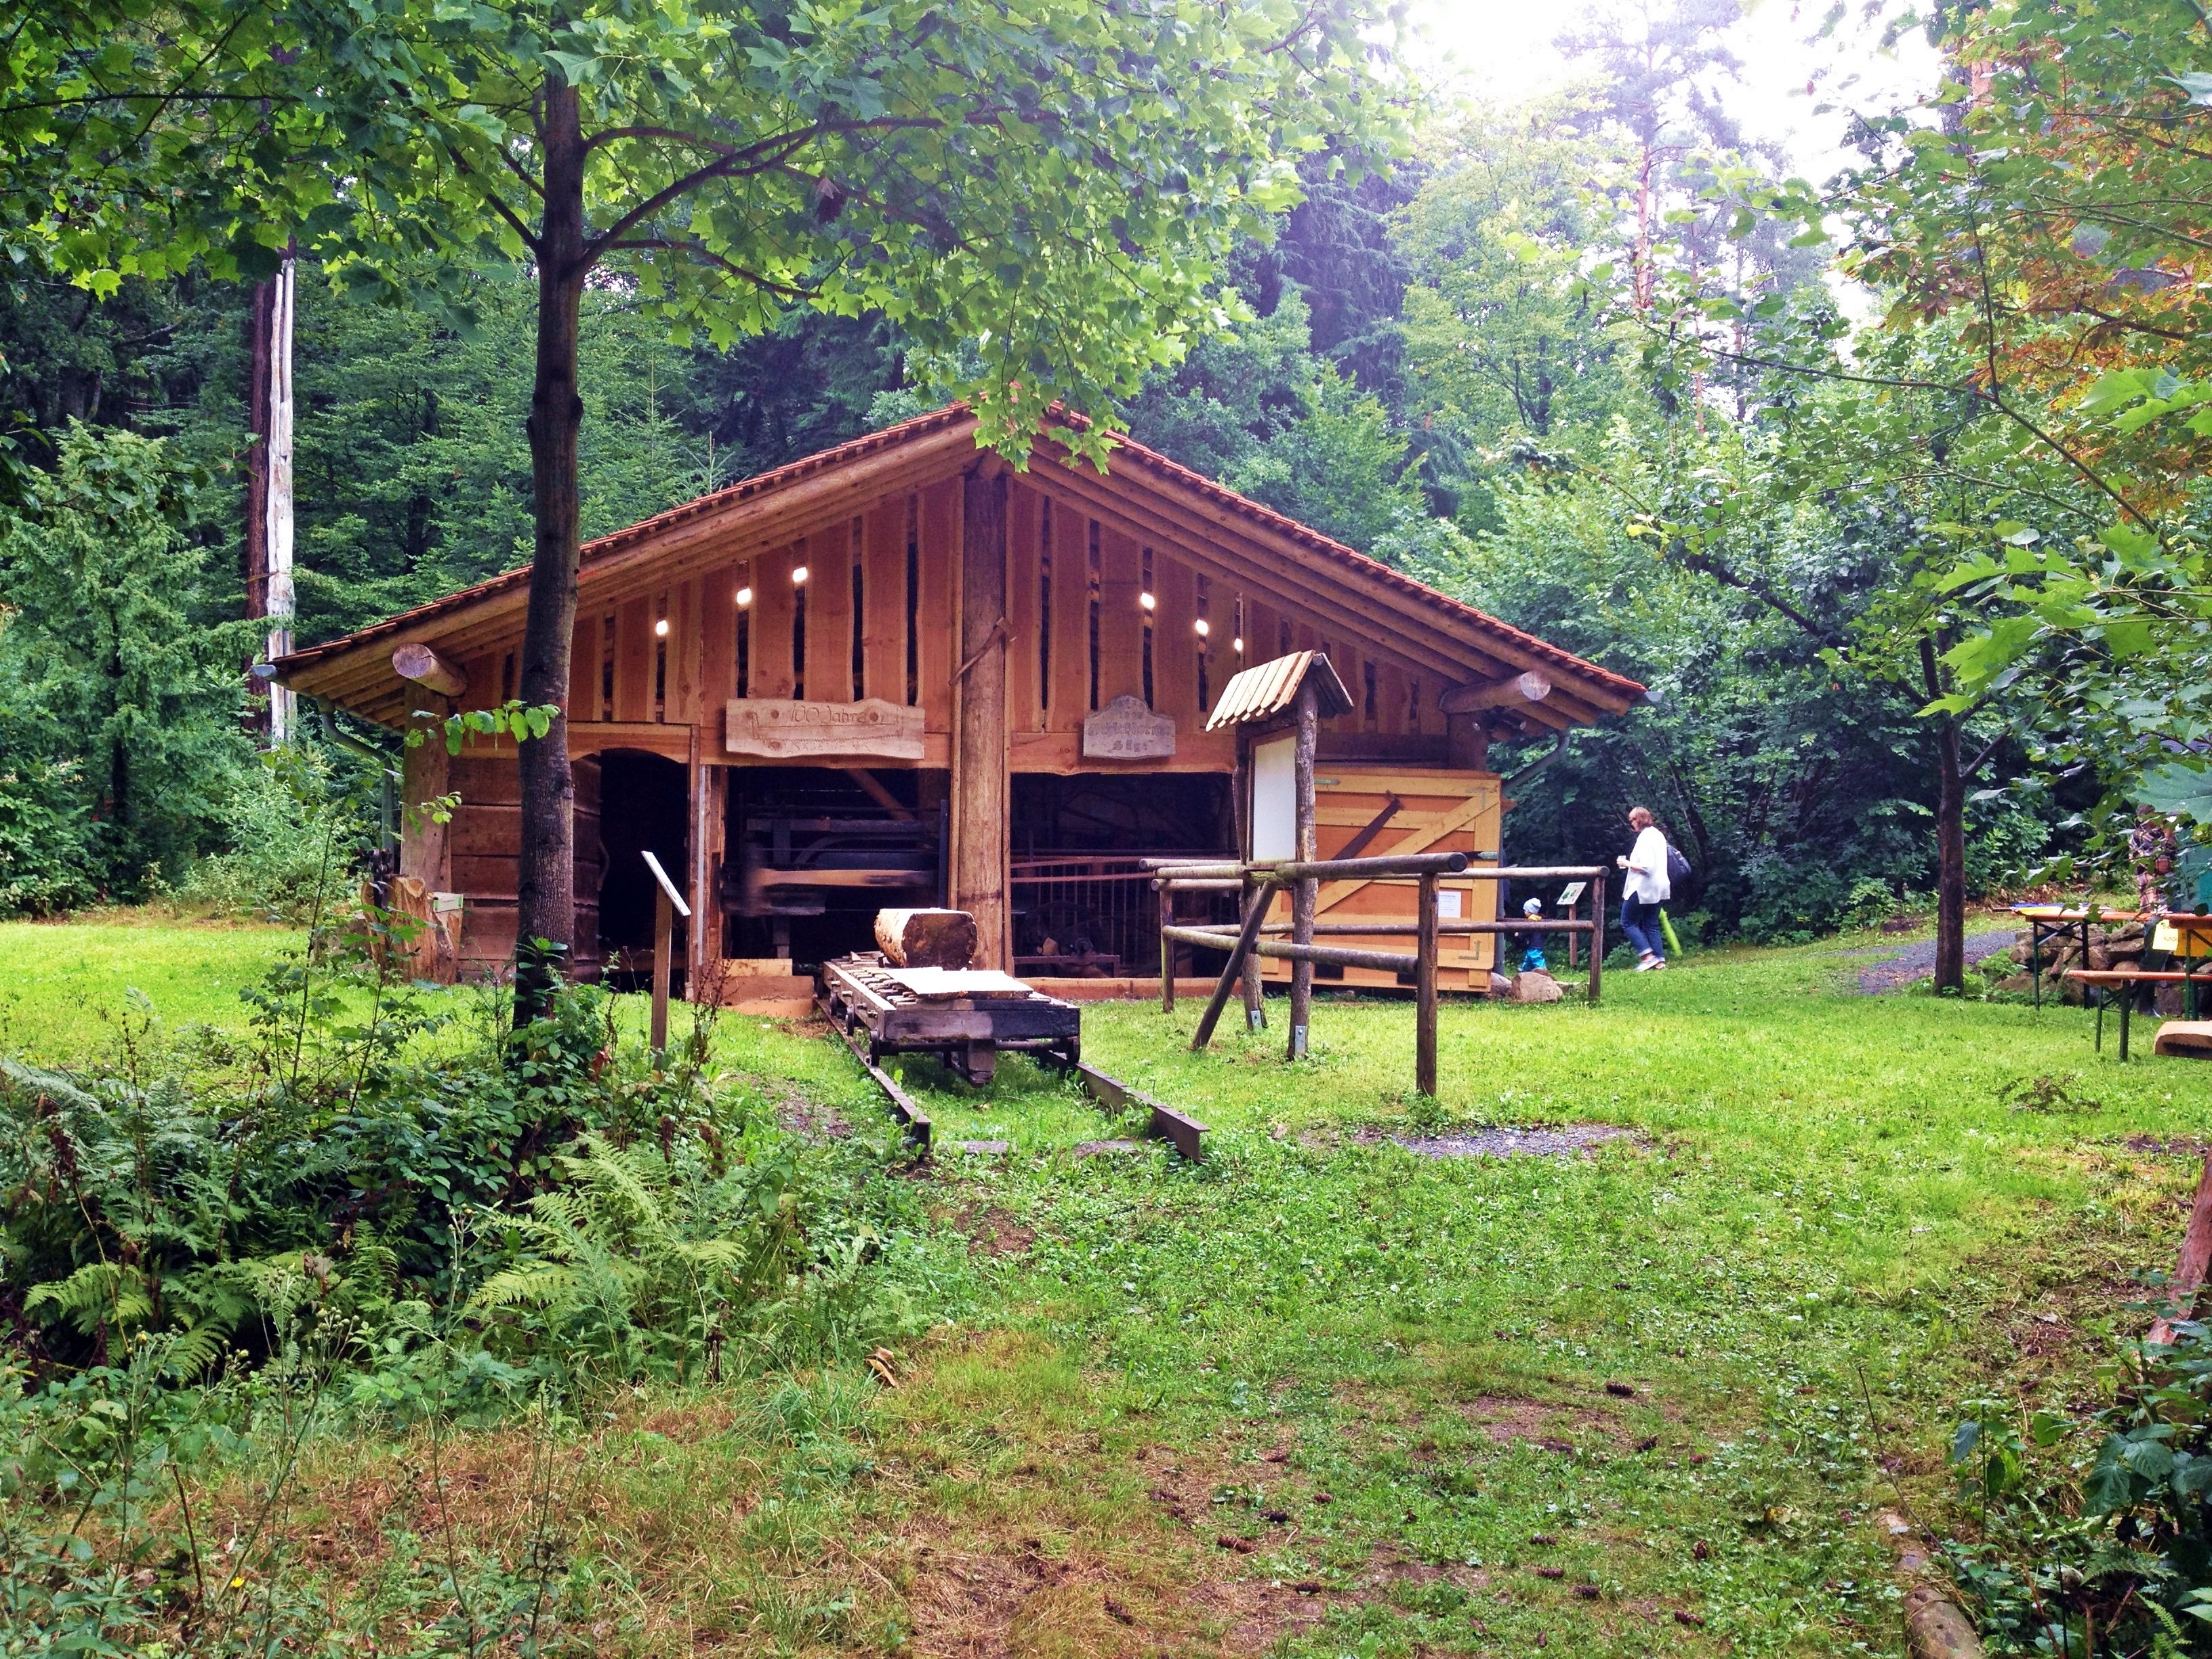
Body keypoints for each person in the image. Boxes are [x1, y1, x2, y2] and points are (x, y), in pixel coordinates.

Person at [1616, 805, 1671, 970]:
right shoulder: (1659, 835)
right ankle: (1659, 961)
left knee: (1627, 922)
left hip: (1644, 887)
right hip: (1661, 886)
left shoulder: (1645, 838)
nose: (1631, 824)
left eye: (1632, 820)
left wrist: (1626, 863)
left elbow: (1646, 866)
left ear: (1639, 820)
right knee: (1651, 923)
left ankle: (1647, 956)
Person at [1518, 896, 1549, 973]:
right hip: (1535, 943)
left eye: (1526, 911)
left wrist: (1519, 934)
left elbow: (1526, 931)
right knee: (1528, 957)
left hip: (1535, 944)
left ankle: (1543, 969)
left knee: (1536, 957)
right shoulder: (1538, 919)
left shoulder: (1531, 921)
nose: (1524, 912)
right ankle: (1524, 969)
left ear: (1530, 911)